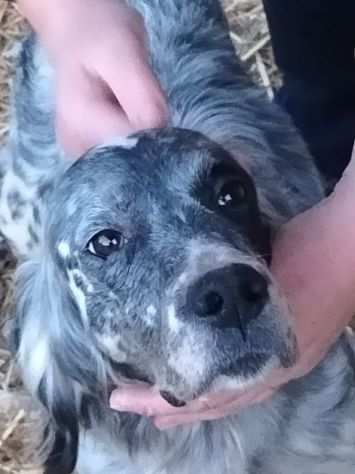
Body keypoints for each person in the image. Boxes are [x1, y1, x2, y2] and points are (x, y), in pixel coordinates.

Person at [18, 0, 355, 429]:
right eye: (107, 242)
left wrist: (345, 245)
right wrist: (66, 16)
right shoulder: (56, 346)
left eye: (228, 195)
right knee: (320, 67)